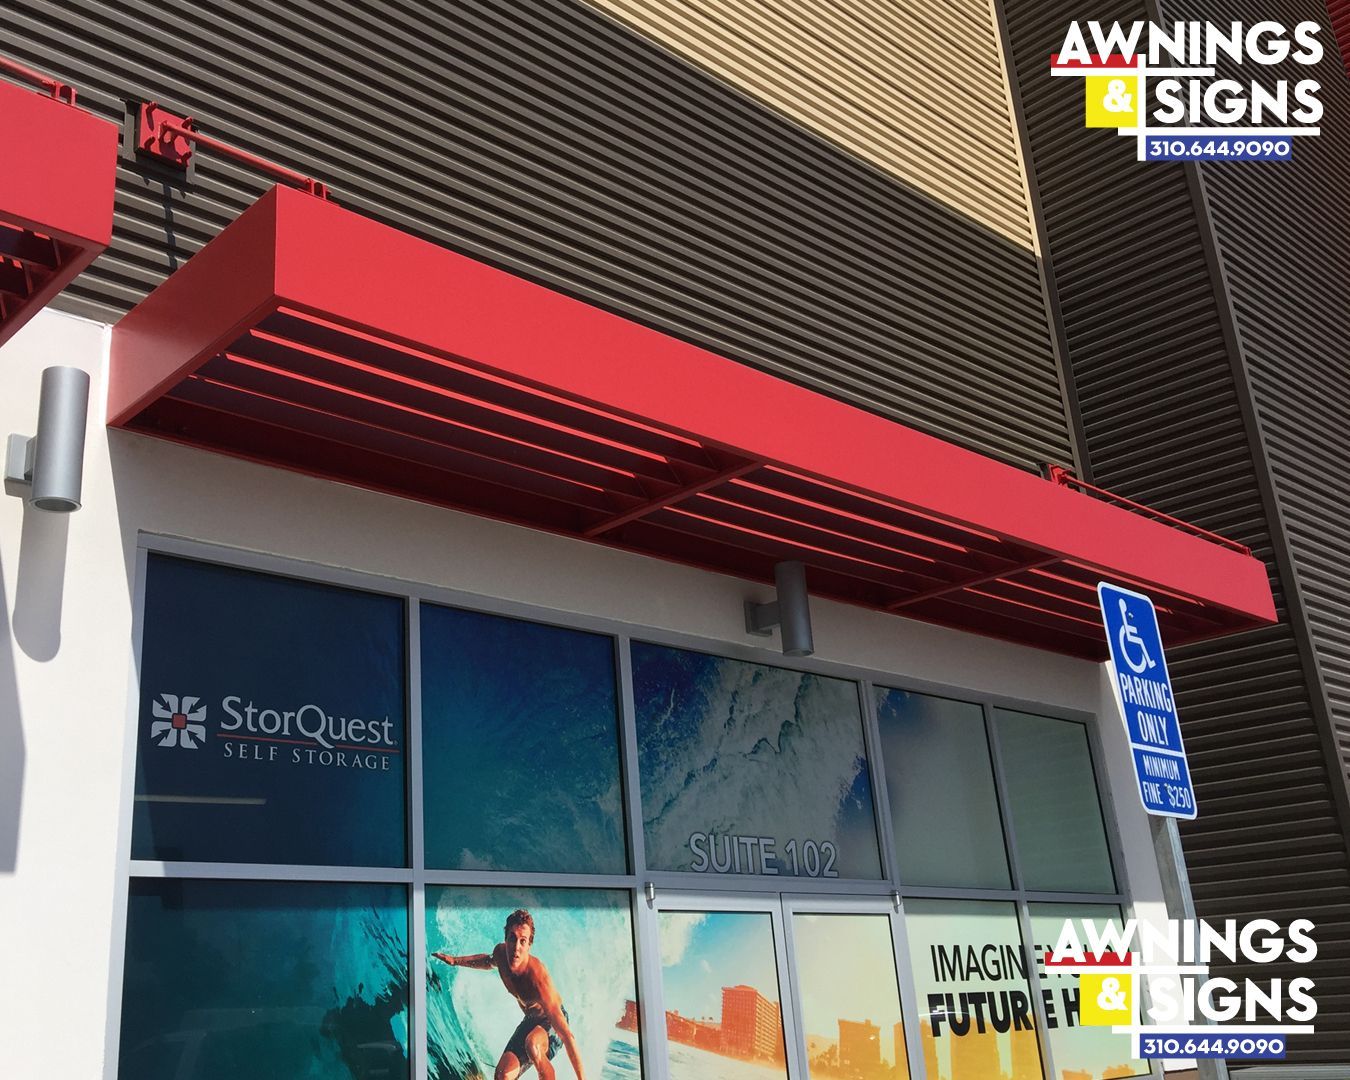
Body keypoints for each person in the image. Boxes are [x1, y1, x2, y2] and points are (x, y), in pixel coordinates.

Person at [432, 908, 588, 1080]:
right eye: (512, 938)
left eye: (523, 941)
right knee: (502, 1076)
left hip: (551, 1023)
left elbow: (567, 1036)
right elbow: (487, 961)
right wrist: (455, 961)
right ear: (505, 938)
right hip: (531, 1021)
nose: (516, 947)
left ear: (529, 945)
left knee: (532, 1044)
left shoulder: (539, 981)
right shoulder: (500, 953)